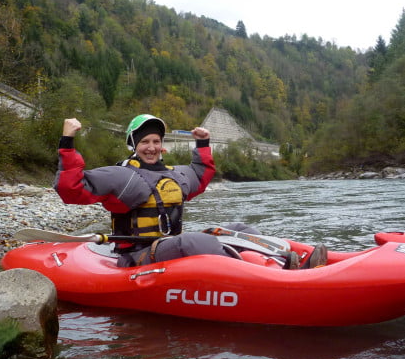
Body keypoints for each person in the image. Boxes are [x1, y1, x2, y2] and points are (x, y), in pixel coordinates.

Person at [54, 114, 327, 268]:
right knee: (195, 241)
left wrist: (203, 143)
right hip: (137, 257)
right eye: (145, 141)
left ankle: (284, 260)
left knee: (239, 227)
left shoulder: (174, 173)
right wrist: (67, 143)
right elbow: (72, 189)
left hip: (167, 248)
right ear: (134, 145)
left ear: (163, 145)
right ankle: (278, 276)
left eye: (156, 141)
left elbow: (202, 173)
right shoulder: (119, 176)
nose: (151, 147)